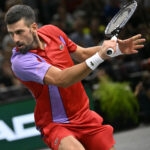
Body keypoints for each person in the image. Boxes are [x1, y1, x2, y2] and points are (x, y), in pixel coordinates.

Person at [4, 4, 145, 150]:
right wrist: (100, 56)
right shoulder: (20, 62)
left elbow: (82, 54)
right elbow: (62, 80)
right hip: (56, 123)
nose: (15, 39)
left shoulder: (52, 32)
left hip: (83, 115)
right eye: (11, 33)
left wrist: (117, 50)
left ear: (33, 27)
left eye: (19, 32)